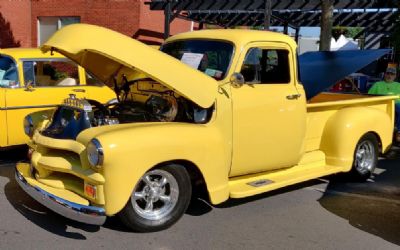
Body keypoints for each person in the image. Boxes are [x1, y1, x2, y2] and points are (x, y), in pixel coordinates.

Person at [368, 66, 400, 141]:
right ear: (384, 74)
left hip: (395, 104)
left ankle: (399, 131)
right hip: (380, 104)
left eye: (392, 74)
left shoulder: (398, 85)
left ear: (395, 76)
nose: (389, 76)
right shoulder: (377, 84)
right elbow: (369, 95)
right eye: (388, 73)